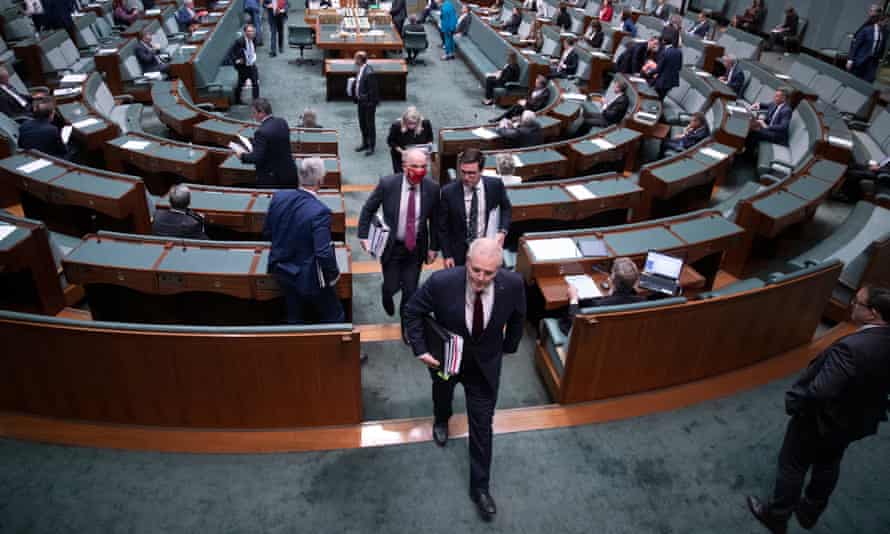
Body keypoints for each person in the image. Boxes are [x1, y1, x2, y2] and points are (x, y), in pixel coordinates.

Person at [746, 286, 890, 534]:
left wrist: (797, 406)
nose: (852, 304)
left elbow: (820, 391)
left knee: (792, 465)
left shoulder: (853, 347)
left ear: (872, 313)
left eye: (858, 302)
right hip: (855, 420)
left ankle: (777, 516)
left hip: (820, 421)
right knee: (829, 463)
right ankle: (810, 510)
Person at [403, 238, 526, 520]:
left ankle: (480, 487)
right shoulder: (441, 282)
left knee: (482, 426)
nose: (481, 279)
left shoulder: (514, 284)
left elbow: (519, 317)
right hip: (447, 359)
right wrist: (421, 348)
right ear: (467, 263)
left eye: (489, 273)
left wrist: (509, 346)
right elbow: (412, 311)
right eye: (476, 271)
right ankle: (441, 419)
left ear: (499, 270)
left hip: (484, 368)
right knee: (442, 393)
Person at [357, 148, 440, 335]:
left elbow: (435, 220)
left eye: (423, 166)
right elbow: (368, 209)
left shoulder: (432, 188)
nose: (419, 170)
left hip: (416, 249)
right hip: (392, 248)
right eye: (415, 166)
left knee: (411, 292)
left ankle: (407, 327)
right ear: (404, 166)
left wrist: (434, 247)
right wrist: (363, 235)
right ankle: (386, 293)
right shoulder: (388, 184)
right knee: (391, 286)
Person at [263, 157, 344, 324]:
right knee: (335, 315)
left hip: (280, 269)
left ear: (300, 177)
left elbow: (267, 232)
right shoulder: (320, 212)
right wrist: (334, 275)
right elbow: (323, 253)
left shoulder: (278, 197)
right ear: (321, 181)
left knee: (294, 313)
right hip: (306, 277)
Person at [438, 148, 512, 267]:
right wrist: (447, 255)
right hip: (459, 253)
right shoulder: (448, 192)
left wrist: (503, 231)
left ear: (481, 170)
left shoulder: (495, 185)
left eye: (471, 173)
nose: (466, 177)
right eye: (463, 172)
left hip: (486, 248)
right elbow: (443, 227)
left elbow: (506, 209)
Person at [559, 257, 643, 334]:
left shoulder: (599, 306)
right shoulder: (641, 302)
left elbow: (577, 323)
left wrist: (573, 298)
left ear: (611, 278)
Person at [235, 98, 298, 187]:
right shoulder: (282, 122)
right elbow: (274, 141)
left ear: (262, 112)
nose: (253, 115)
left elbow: (256, 158)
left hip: (273, 180)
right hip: (290, 175)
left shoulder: (261, 132)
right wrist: (253, 142)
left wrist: (242, 156)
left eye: (254, 112)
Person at [386, 107, 433, 174]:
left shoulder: (425, 123)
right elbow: (390, 141)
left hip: (419, 157)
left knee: (418, 175)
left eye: (414, 123)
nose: (412, 126)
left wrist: (428, 148)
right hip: (400, 156)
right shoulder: (396, 125)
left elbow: (430, 138)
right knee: (401, 176)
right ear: (405, 120)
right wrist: (402, 151)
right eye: (409, 123)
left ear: (418, 121)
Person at [847, 6, 884, 83]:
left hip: (872, 63)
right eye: (870, 10)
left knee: (867, 83)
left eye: (872, 11)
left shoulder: (883, 32)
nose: (870, 12)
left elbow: (881, 45)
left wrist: (879, 58)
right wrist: (850, 60)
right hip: (860, 60)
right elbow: (856, 44)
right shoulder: (867, 28)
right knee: (853, 82)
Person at [353, 51, 379, 156]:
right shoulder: (361, 69)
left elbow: (373, 91)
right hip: (361, 102)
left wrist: (366, 100)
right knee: (362, 124)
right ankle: (365, 143)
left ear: (360, 59)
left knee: (370, 125)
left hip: (368, 104)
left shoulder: (369, 72)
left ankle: (371, 146)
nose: (354, 60)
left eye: (355, 58)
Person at [228, 24, 260, 105]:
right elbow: (231, 53)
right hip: (243, 67)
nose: (251, 33)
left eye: (252, 31)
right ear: (245, 32)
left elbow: (253, 50)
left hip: (251, 64)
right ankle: (237, 100)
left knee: (255, 83)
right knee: (240, 83)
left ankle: (256, 101)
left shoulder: (254, 39)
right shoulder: (239, 41)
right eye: (249, 31)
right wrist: (237, 61)